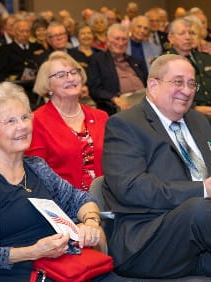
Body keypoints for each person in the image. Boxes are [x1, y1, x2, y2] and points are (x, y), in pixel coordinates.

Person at [0, 82, 108, 281]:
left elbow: (79, 198)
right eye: (10, 121)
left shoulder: (37, 167)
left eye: (24, 117)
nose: (22, 126)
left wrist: (90, 222)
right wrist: (33, 252)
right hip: (10, 274)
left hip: (62, 268)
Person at [102, 54, 211, 278]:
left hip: (198, 243)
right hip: (147, 241)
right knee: (199, 209)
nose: (188, 90)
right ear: (153, 85)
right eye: (178, 82)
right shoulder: (124, 125)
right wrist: (203, 189)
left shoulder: (199, 122)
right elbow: (131, 188)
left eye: (192, 84)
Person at [26, 51, 108, 191]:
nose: (70, 78)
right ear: (48, 85)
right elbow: (36, 175)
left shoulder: (101, 116)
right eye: (61, 75)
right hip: (63, 202)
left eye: (74, 72)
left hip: (105, 199)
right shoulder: (36, 121)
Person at [87, 24, 147, 115]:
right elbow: (94, 89)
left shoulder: (136, 61)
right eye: (117, 39)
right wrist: (114, 99)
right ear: (107, 41)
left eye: (124, 39)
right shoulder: (97, 60)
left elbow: (148, 82)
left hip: (143, 101)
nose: (121, 43)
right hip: (118, 106)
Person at [166, 18, 211, 120]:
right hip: (187, 114)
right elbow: (165, 96)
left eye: (191, 33)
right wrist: (194, 108)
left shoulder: (205, 58)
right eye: (182, 33)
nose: (188, 37)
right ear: (171, 38)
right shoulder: (165, 63)